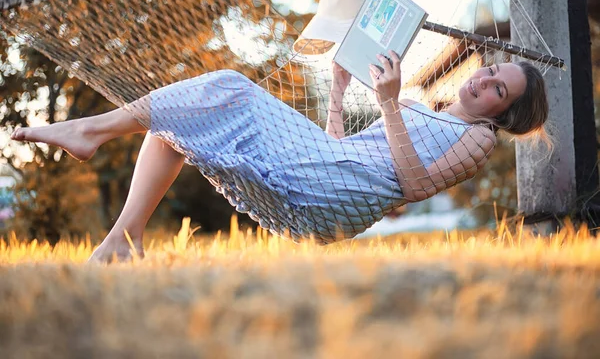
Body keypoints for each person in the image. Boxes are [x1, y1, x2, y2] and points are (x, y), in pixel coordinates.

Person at [9, 50, 549, 262]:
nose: (484, 81)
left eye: (499, 90)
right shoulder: (412, 104)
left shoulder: (477, 137)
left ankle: (89, 130)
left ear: (503, 114)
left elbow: (410, 187)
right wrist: (339, 90)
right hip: (328, 175)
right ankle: (122, 243)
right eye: (492, 70)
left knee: (226, 86)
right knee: (176, 123)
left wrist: (386, 104)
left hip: (338, 201)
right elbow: (341, 151)